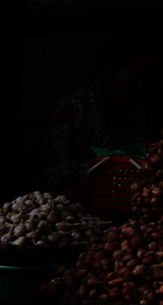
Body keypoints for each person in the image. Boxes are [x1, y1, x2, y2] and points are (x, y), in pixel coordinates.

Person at [43, 33, 156, 195]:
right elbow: (51, 175)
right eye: (133, 78)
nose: (139, 88)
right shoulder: (74, 108)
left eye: (145, 81)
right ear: (110, 70)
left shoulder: (136, 114)